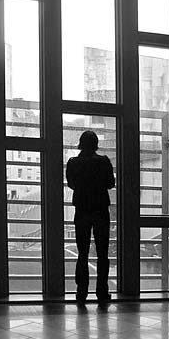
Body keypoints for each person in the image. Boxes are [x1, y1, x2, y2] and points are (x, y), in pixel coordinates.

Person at [66, 129, 115, 304]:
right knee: (102, 253)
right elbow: (111, 183)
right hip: (101, 210)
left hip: (82, 210)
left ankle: (82, 292)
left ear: (80, 144)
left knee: (82, 253)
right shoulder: (104, 162)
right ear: (95, 145)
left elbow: (71, 184)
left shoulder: (73, 163)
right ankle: (102, 291)